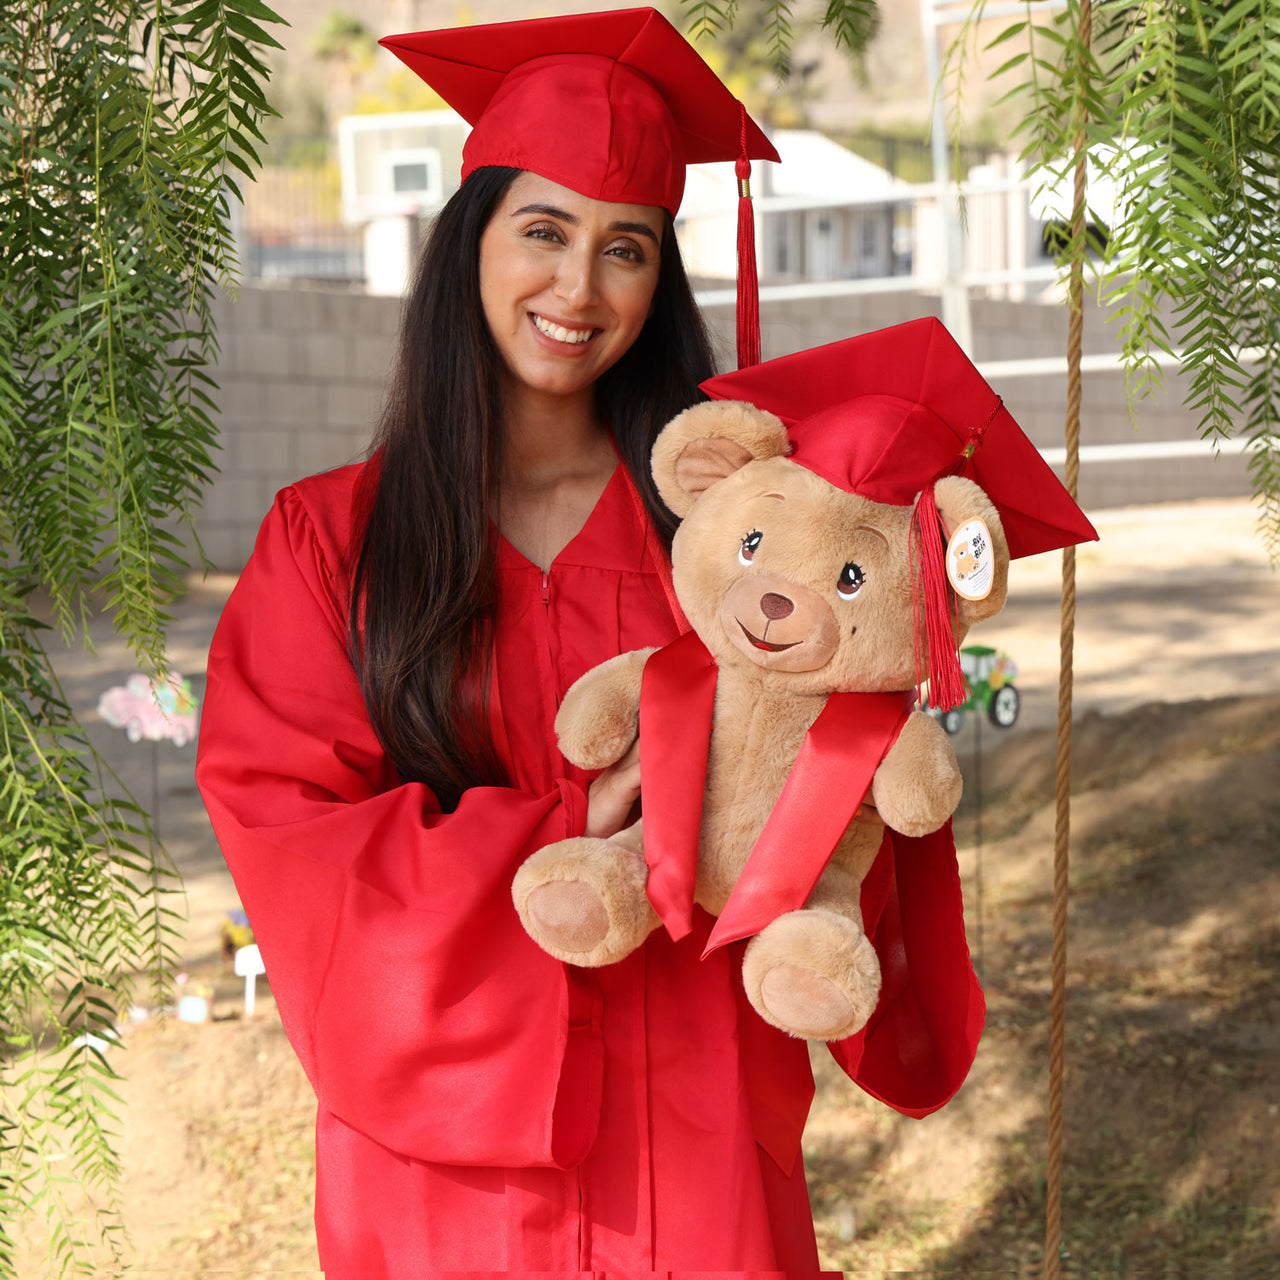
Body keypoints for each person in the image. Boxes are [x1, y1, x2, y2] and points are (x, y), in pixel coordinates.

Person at [196, 9, 978, 1274]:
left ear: (659, 282)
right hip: (454, 1166)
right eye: (543, 231)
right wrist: (567, 828)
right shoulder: (332, 543)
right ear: (470, 241)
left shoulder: (729, 541)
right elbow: (293, 839)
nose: (577, 288)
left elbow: (821, 788)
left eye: (626, 248)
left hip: (700, 1121)